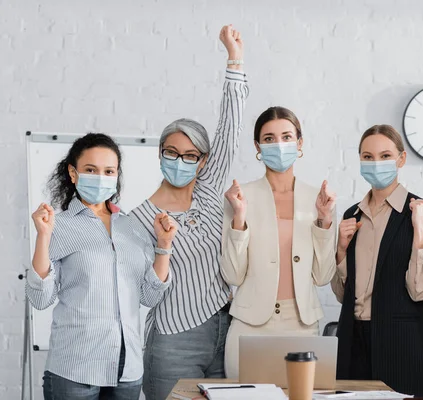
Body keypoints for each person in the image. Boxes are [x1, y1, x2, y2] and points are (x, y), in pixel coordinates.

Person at [128, 25, 249, 400]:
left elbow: (231, 127)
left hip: (228, 328)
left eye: (191, 155)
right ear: (160, 153)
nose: (181, 161)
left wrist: (234, 60)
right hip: (173, 337)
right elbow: (145, 293)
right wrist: (163, 246)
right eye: (172, 152)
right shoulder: (137, 219)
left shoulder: (210, 189)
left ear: (203, 161)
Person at [26, 133, 176, 400]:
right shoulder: (58, 225)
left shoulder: (131, 227)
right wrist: (43, 237)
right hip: (75, 369)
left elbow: (150, 296)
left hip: (127, 370)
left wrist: (163, 246)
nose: (101, 177)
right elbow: (39, 298)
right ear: (73, 173)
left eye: (109, 171)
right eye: (90, 170)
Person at [221, 106, 337, 378]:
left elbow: (322, 277)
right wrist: (239, 218)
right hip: (249, 325)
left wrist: (324, 220)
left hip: (301, 323)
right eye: (270, 138)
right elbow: (233, 275)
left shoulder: (317, 198)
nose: (279, 144)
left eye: (286, 137)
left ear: (299, 143)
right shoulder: (240, 197)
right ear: (258, 146)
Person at [331, 124, 423, 395]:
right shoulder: (351, 215)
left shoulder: (419, 211)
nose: (376, 163)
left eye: (385, 155)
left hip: (399, 343)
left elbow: (420, 290)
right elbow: (343, 295)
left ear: (401, 159)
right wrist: (341, 251)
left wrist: (420, 231)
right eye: (368, 157)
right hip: (352, 341)